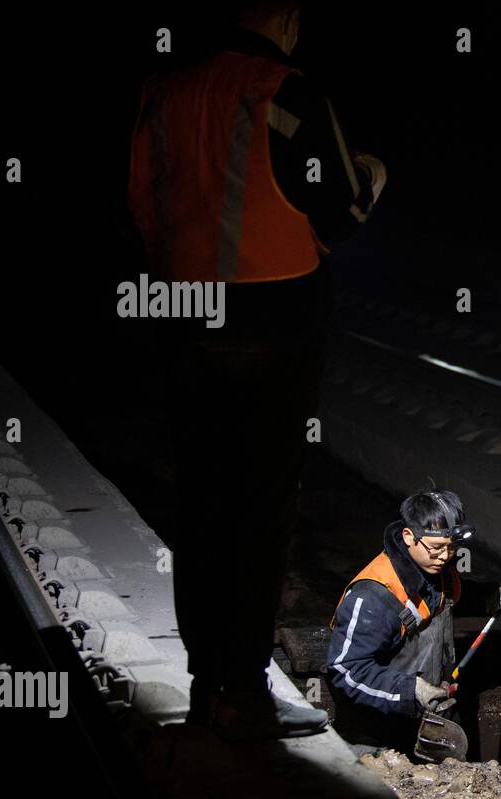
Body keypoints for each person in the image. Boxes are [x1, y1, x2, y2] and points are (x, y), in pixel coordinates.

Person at [126, 0, 387, 739]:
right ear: (284, 16)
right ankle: (241, 691)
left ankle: (210, 682)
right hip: (273, 321)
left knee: (203, 503)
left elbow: (141, 205)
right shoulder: (284, 90)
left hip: (183, 317)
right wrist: (372, 174)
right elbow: (338, 211)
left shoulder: (163, 91)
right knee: (260, 509)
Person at [327, 491, 501, 752]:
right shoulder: (373, 596)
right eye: (437, 548)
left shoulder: (436, 573)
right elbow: (346, 671)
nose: (444, 557)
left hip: (423, 725)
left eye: (452, 549)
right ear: (409, 537)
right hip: (373, 736)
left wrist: (493, 598)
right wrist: (412, 691)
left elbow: (451, 599)